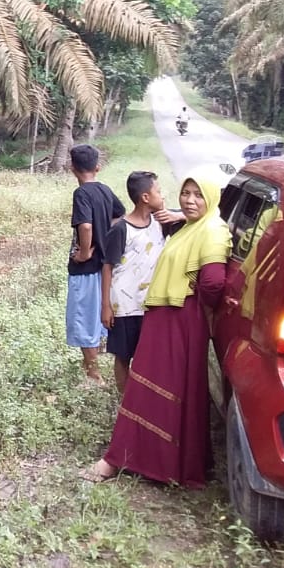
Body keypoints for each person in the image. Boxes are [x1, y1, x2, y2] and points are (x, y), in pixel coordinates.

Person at [82, 167, 230, 486]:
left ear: (212, 199)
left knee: (155, 388)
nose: (190, 201)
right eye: (185, 194)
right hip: (165, 315)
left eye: (198, 195)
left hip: (180, 317)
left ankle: (127, 458)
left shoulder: (213, 231)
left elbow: (214, 283)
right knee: (152, 386)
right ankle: (149, 459)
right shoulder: (192, 226)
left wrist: (195, 304)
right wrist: (179, 216)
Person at [100, 172, 183, 393]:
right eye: (158, 191)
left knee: (148, 354)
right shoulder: (121, 229)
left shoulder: (161, 222)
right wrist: (106, 306)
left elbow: (199, 216)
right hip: (124, 306)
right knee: (123, 355)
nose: (163, 195)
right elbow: (107, 267)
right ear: (145, 197)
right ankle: (124, 397)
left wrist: (178, 217)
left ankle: (143, 398)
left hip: (151, 303)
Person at [67, 144, 125, 385]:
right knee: (98, 315)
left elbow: (86, 226)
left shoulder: (81, 194)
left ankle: (94, 375)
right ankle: (90, 366)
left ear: (72, 169)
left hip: (86, 268)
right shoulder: (104, 190)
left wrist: (83, 252)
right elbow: (120, 214)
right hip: (104, 267)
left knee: (83, 317)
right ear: (97, 167)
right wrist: (107, 236)